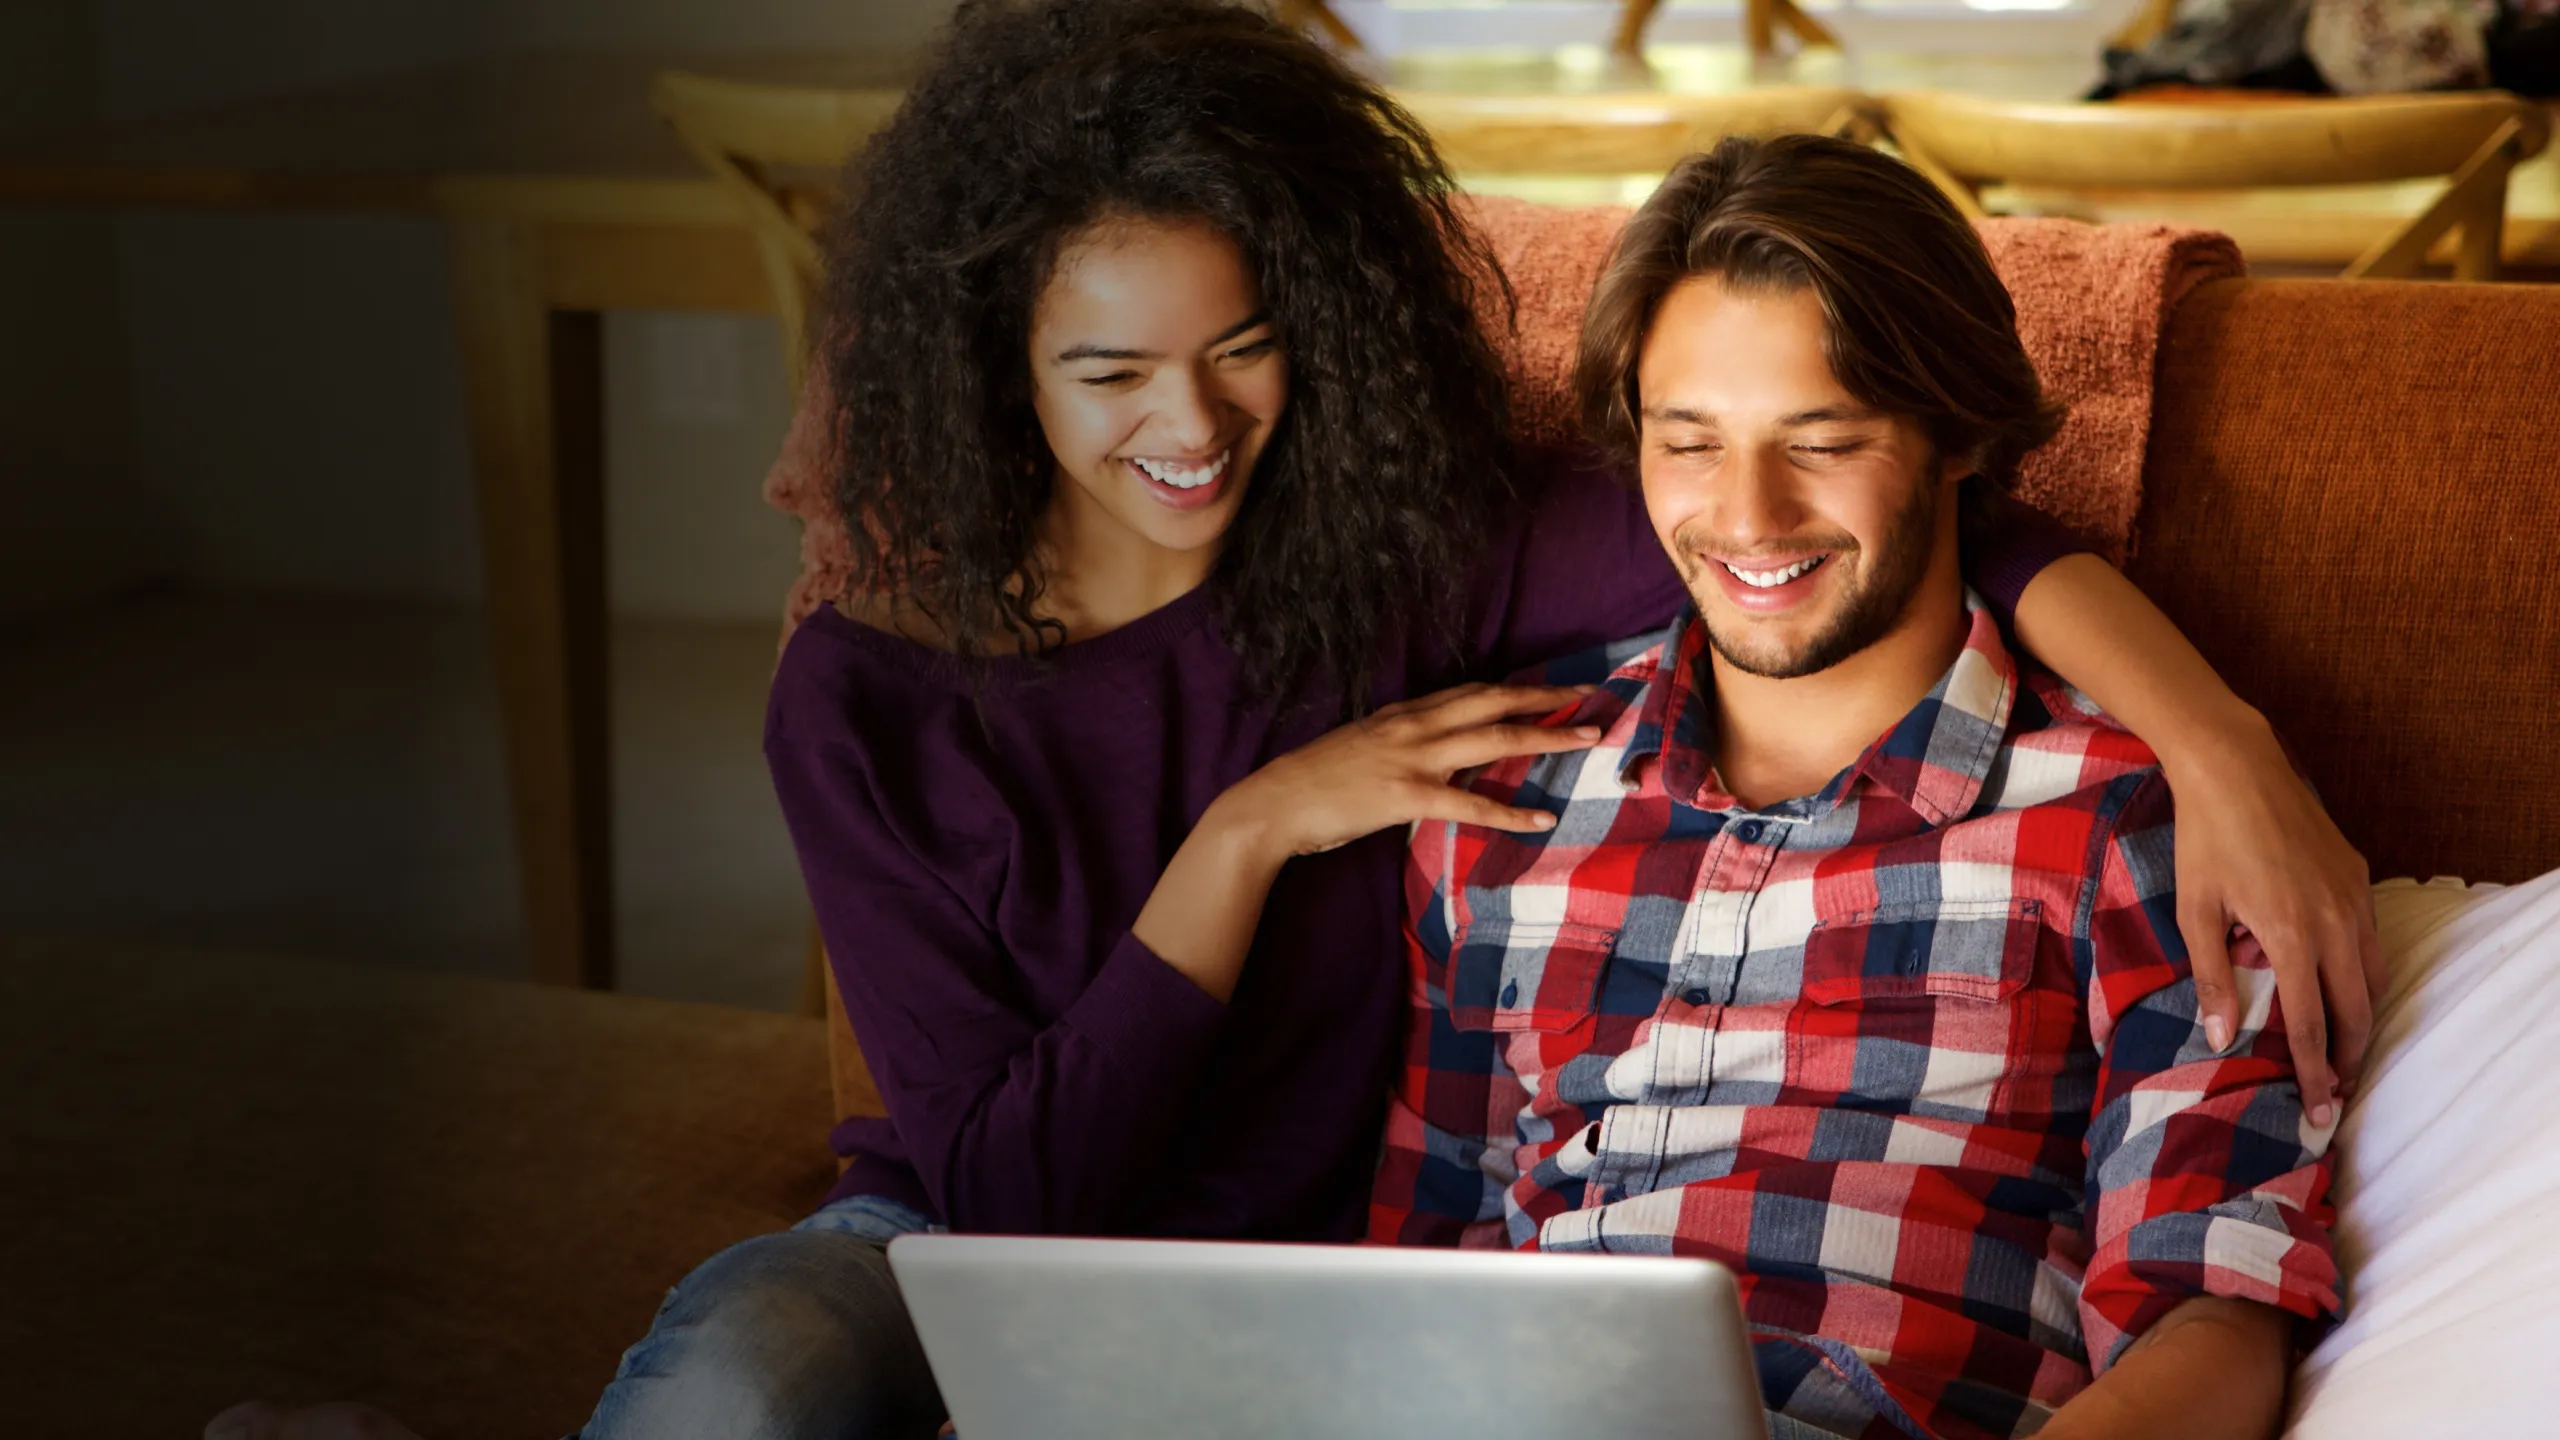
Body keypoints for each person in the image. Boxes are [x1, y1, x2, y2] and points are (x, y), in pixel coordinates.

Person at [205, 4, 2373, 1438]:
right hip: (1004, 1237)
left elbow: (1848, 549)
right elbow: (1007, 1196)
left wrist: (2221, 744)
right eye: (1104, 375)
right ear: (991, 374)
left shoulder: (1424, 570)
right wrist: (1249, 832)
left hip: (1329, 1285)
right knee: (755, 1364)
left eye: (1239, 348)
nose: (1188, 428)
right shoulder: (886, 706)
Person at [1370, 132, 2340, 1440]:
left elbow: (2215, 1307)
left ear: (1955, 439)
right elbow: (1423, 1255)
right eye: (1690, 442)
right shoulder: (1497, 800)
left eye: (1821, 439)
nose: (1750, 517)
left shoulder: (2130, 820)